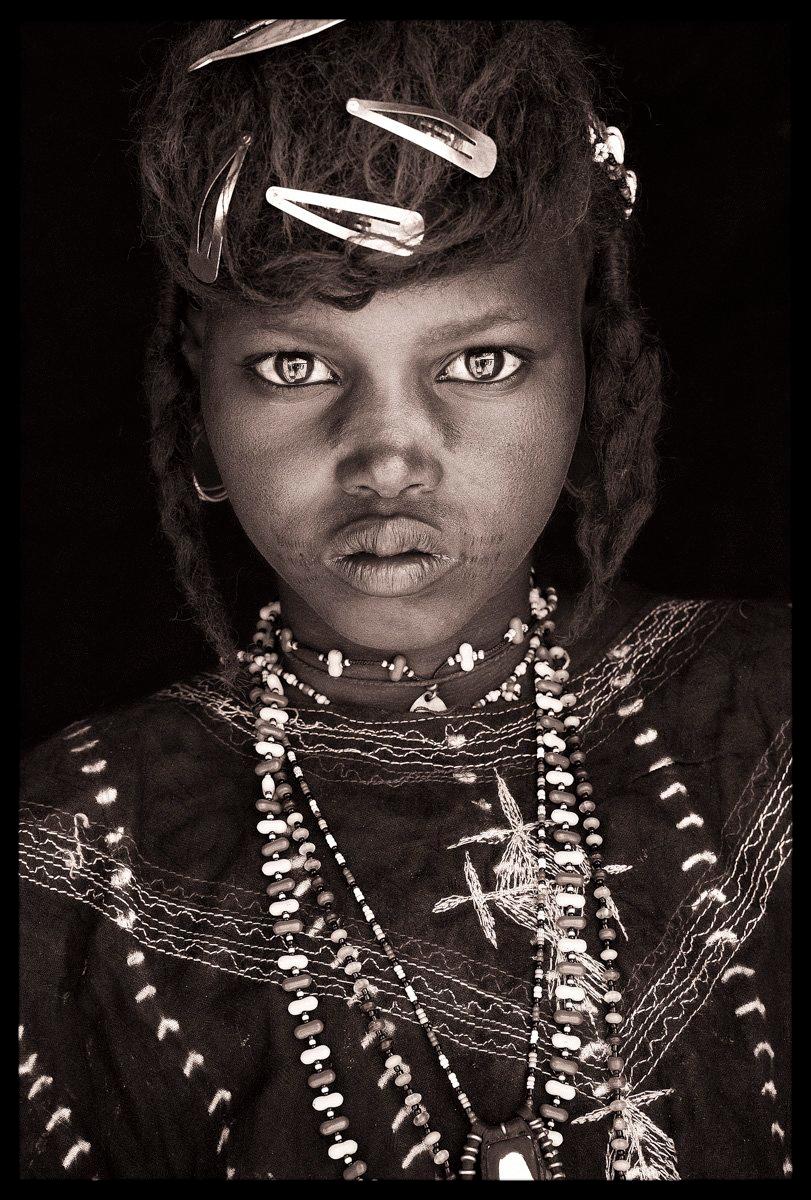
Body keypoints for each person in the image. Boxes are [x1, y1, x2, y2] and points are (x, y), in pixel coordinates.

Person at [19, 19, 790, 1180]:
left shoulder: (769, 719)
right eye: (295, 366)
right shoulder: (72, 857)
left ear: (590, 381)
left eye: (479, 363)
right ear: (200, 422)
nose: (387, 457)